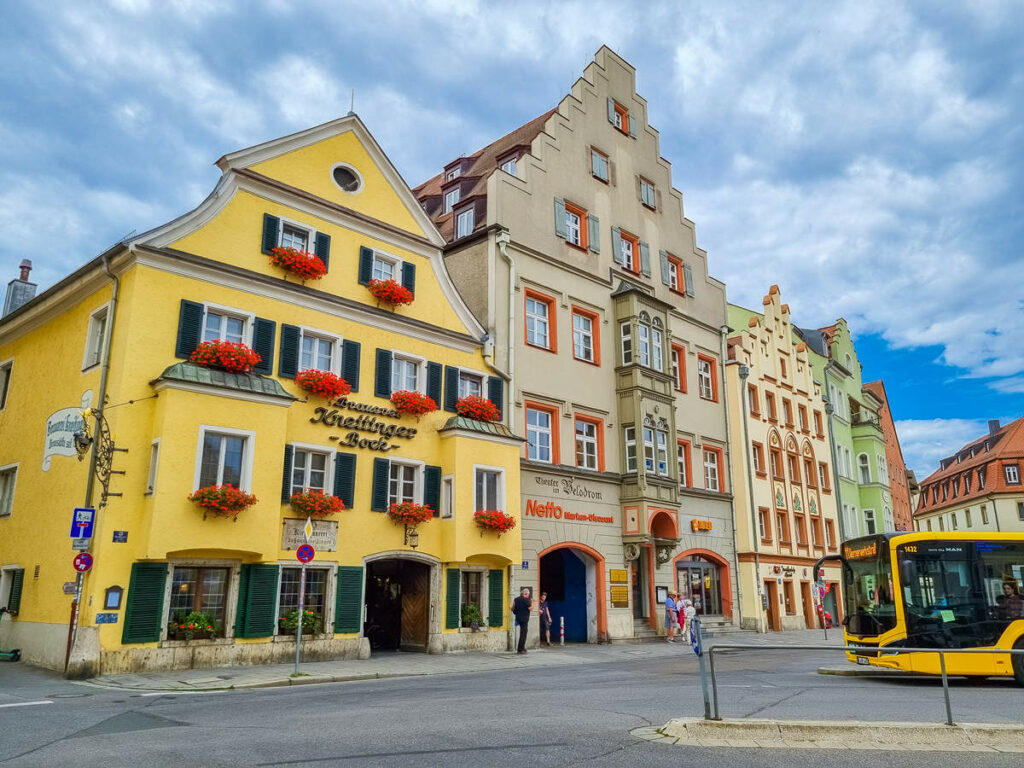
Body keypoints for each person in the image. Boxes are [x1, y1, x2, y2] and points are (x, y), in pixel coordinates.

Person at [512, 587, 533, 654]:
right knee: (523, 634)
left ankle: (521, 648)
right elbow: (530, 608)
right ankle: (520, 649)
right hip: (524, 619)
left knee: (522, 633)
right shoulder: (526, 600)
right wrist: (532, 602)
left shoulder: (516, 599)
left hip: (518, 619)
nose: (529, 596)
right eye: (528, 594)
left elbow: (513, 609)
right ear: (526, 594)